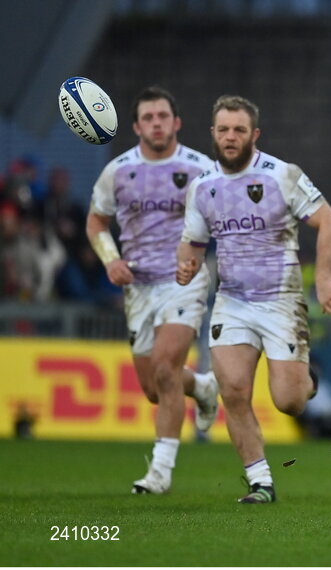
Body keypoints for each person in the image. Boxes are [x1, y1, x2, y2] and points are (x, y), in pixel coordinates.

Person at [176, 95, 331, 504]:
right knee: (232, 389)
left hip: (282, 300)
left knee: (289, 401)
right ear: (213, 135)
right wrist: (186, 265)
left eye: (239, 130)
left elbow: (329, 221)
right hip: (233, 301)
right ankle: (261, 482)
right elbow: (192, 245)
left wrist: (324, 280)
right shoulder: (202, 187)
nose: (231, 137)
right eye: (223, 130)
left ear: (254, 134)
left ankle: (308, 382)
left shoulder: (281, 175)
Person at [86, 86, 220, 494]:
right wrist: (111, 260)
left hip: (184, 281)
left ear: (176, 122)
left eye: (163, 116)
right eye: (148, 118)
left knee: (164, 367)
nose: (156, 123)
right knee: (153, 388)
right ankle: (202, 386)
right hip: (138, 288)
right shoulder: (118, 171)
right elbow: (95, 223)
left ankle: (159, 472)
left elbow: (226, 217)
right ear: (135, 126)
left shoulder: (201, 168)